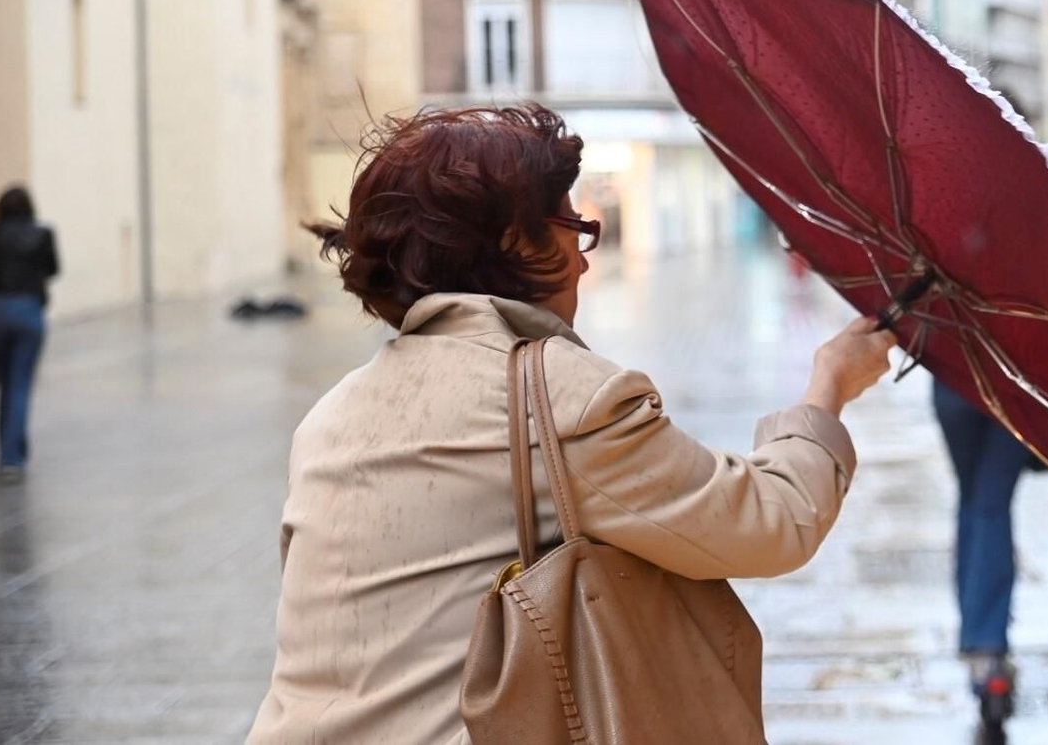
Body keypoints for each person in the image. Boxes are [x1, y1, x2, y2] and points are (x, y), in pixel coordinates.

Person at [247, 106, 896, 744]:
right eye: (573, 226)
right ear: (515, 240)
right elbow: (770, 522)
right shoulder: (558, 395)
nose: (584, 260)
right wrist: (828, 388)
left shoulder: (329, 416)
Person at [932, 377, 1033, 730]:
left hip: (953, 387)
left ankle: (978, 646)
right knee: (991, 505)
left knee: (974, 498)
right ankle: (987, 650)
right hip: (1012, 388)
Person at [0, 185, 60, 485]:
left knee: (5, 383)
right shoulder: (42, 234)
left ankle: (9, 449)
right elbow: (53, 269)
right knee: (20, 383)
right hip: (29, 311)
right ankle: (12, 457)